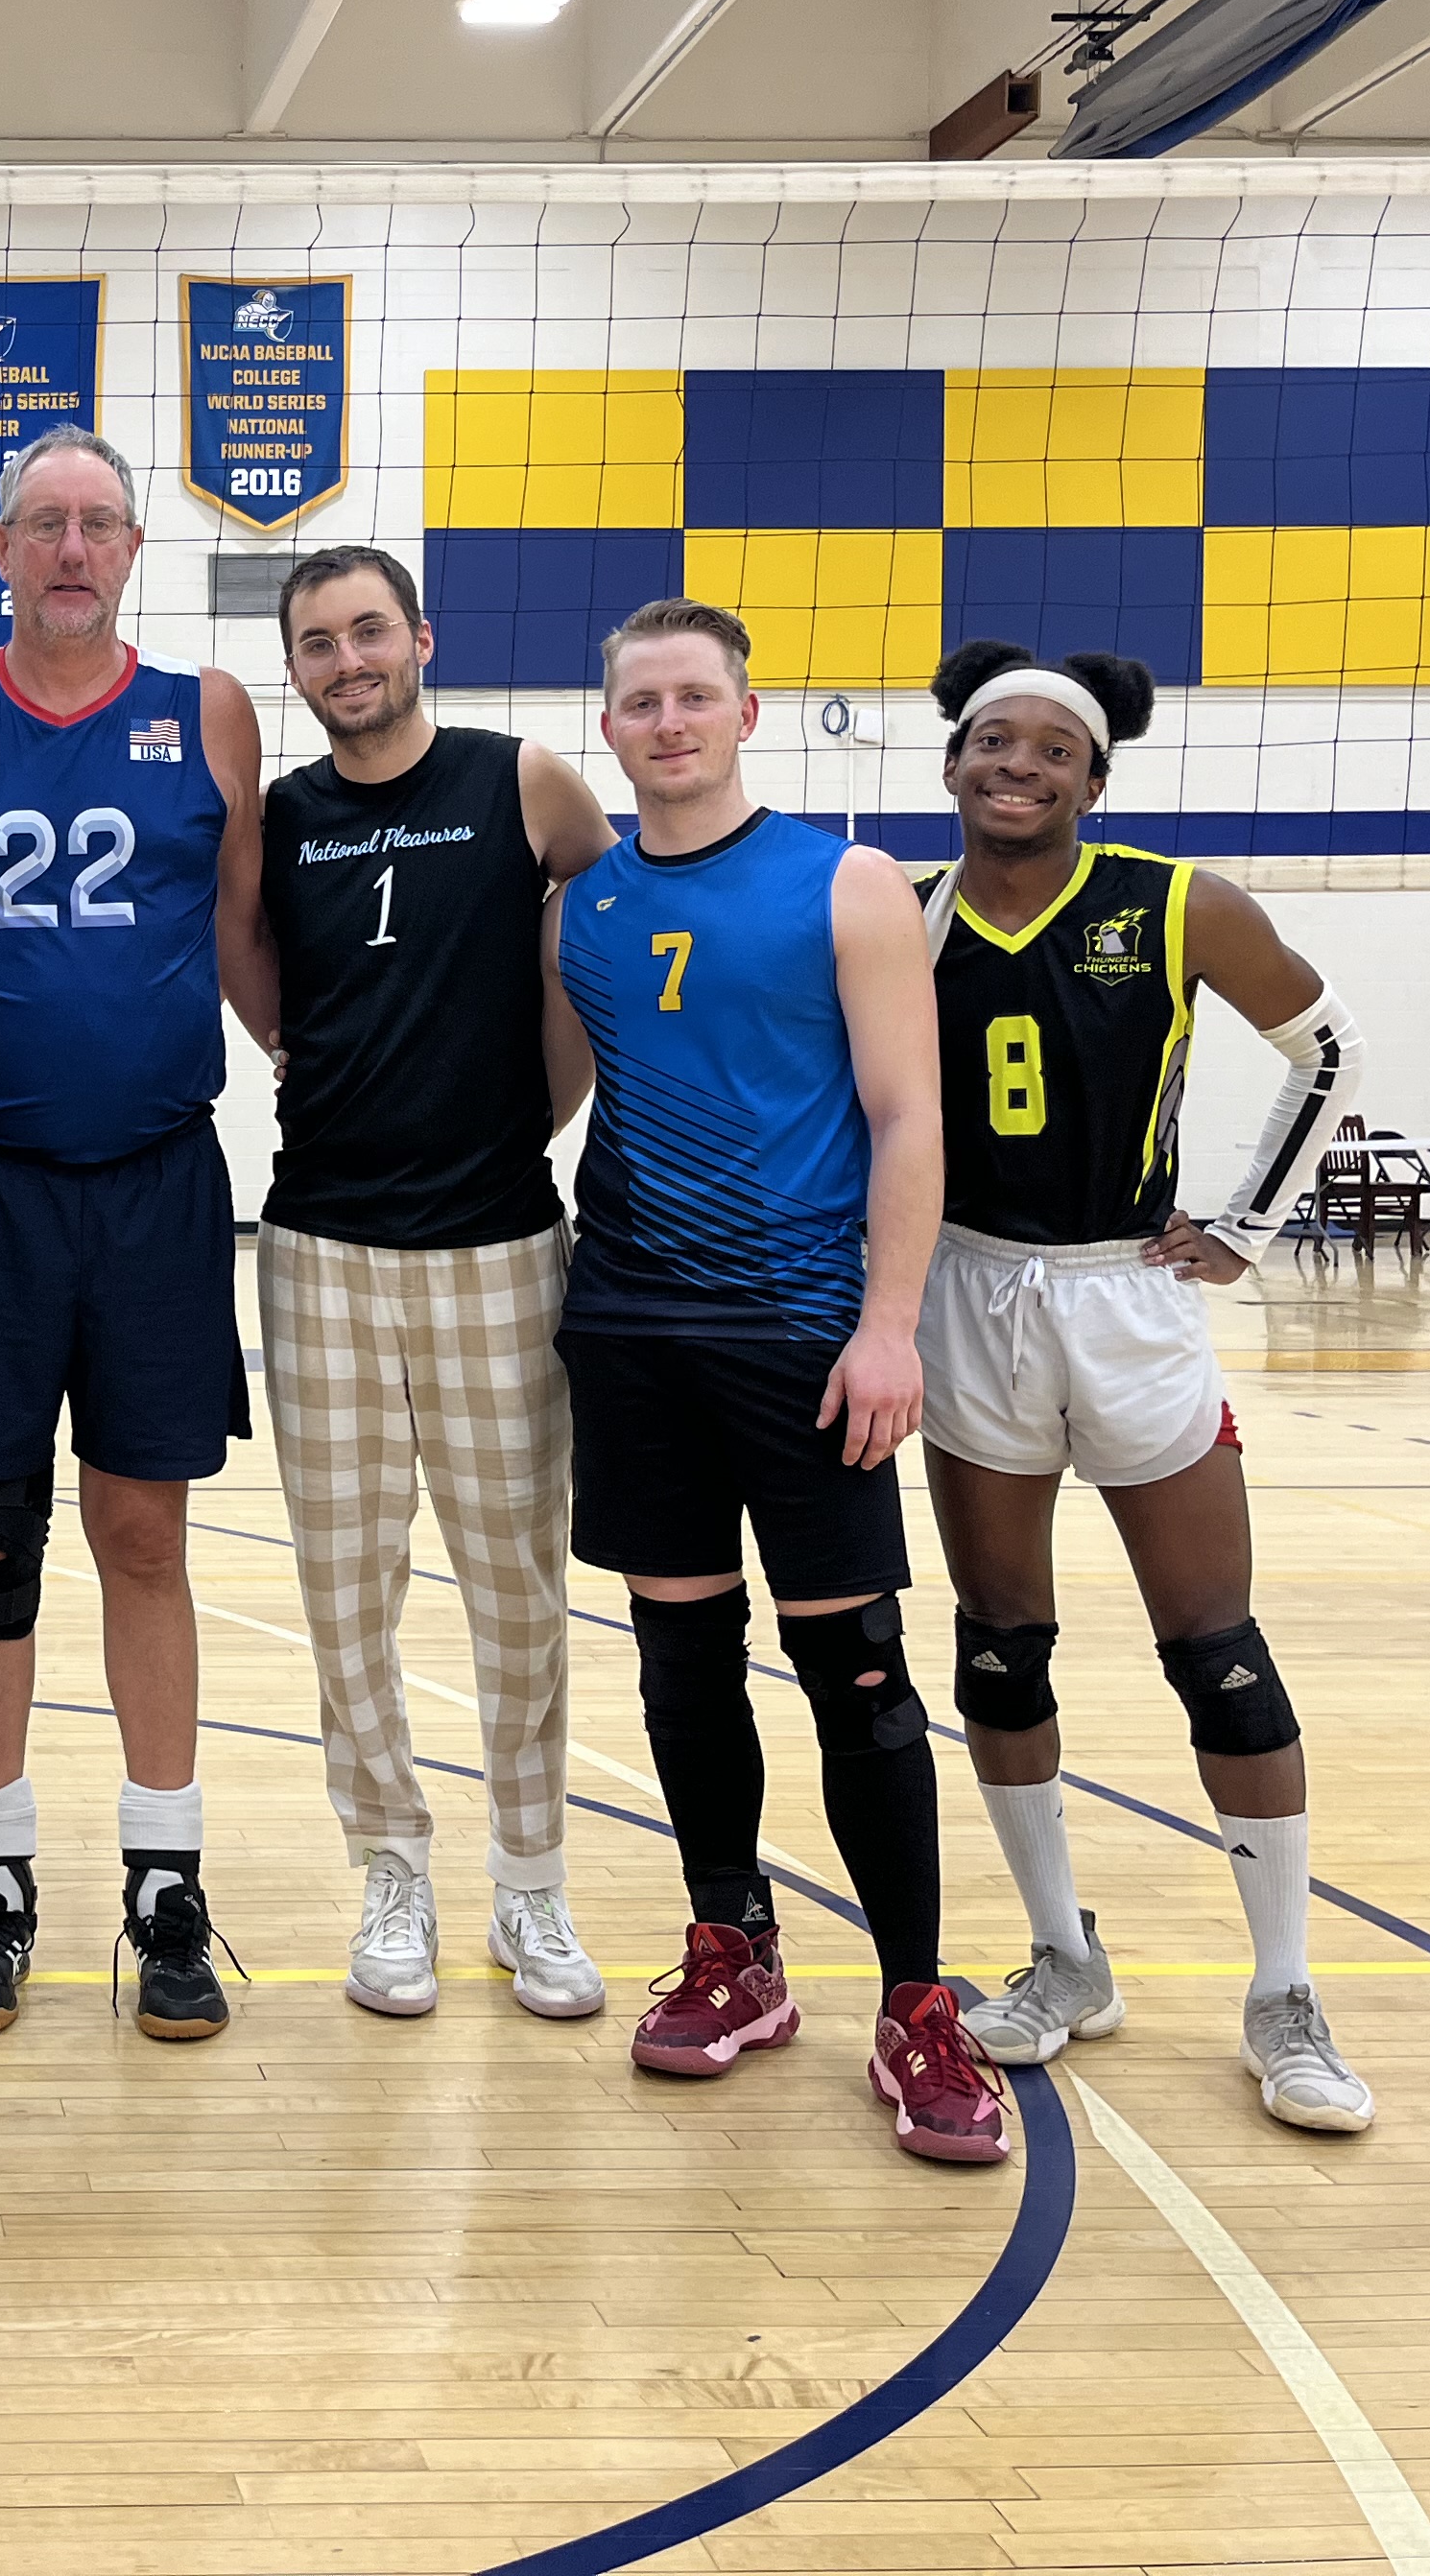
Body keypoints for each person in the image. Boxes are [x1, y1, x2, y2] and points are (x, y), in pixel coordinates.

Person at [543, 596, 1006, 2165]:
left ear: (746, 714)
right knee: (681, 1657)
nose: (668, 723)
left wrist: (892, 1324)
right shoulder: (586, 906)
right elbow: (553, 1096)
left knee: (856, 1670)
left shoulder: (848, 883)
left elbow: (909, 1115)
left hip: (804, 1331)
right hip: (631, 1327)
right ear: (609, 727)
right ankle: (732, 1949)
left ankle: (918, 2005)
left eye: (695, 697)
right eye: (641, 702)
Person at [0, 424, 275, 2043]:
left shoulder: (207, 709)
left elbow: (242, 935)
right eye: (47, 523)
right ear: (2, 551)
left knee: (146, 1536)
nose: (76, 548)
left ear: (133, 552)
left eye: (102, 523)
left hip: (158, 1183)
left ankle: (166, 1881)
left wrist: (338, 1069)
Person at [915, 643, 1375, 2133]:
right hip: (968, 1292)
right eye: (995, 741)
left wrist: (1248, 1225)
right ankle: (1065, 1957)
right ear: (952, 763)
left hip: (1128, 1294)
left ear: (1095, 781)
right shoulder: (903, 913)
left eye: (1053, 749)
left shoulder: (1178, 902)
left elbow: (1327, 1048)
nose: (1019, 764)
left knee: (1218, 1651)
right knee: (1000, 1650)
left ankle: (1284, 1992)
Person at [247, 546, 617, 2023]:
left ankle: (532, 1880)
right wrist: (306, 1058)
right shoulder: (280, 815)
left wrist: (540, 1106)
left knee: (517, 1586)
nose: (347, 661)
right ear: (296, 668)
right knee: (348, 1590)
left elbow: (613, 928)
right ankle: (391, 1865)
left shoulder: (522, 781)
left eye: (368, 632)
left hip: (499, 1245)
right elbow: (253, 969)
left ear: (420, 639)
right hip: (321, 1249)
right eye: (318, 642)